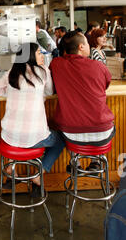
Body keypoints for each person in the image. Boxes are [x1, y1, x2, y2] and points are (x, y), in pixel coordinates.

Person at [0, 42, 65, 194]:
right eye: (39, 53)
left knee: (13, 135)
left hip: (9, 136)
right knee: (61, 139)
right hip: (35, 137)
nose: (42, 56)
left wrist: (13, 93)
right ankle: (38, 175)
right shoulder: (43, 71)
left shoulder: (12, 72)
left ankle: (12, 170)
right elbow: (50, 91)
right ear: (31, 56)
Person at [49, 31, 115, 172]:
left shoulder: (56, 64)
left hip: (71, 134)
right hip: (103, 133)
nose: (89, 46)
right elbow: (106, 84)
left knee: (67, 125)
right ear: (81, 47)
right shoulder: (98, 66)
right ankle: (96, 160)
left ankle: (75, 162)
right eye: (87, 43)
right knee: (93, 120)